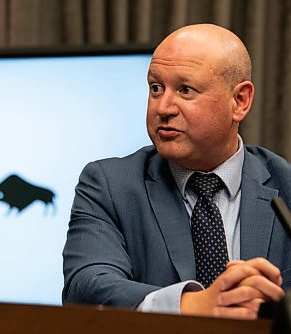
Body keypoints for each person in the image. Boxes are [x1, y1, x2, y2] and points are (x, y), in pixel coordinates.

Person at [62, 23, 291, 320]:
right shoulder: (109, 185)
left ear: (240, 101)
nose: (164, 107)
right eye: (156, 88)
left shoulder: (284, 186)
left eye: (185, 89)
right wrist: (194, 305)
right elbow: (86, 287)